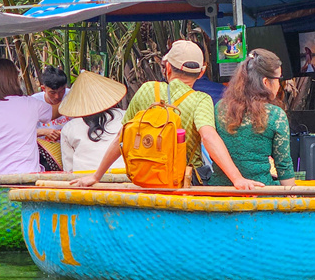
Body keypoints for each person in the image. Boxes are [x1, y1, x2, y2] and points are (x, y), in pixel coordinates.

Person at [71, 40, 260, 190]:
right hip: (182, 184)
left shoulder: (146, 90)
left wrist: (96, 176)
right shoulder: (200, 100)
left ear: (167, 68)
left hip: (145, 181)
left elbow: (122, 137)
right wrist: (237, 178)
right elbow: (208, 136)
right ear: (201, 72)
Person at [211, 49, 296, 187]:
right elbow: (283, 166)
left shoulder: (220, 108)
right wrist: (294, 198)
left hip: (220, 192)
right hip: (260, 193)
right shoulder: (276, 115)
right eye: (278, 79)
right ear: (265, 82)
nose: (279, 85)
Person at [0, 58, 59, 174]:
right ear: (14, 80)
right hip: (26, 177)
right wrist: (74, 96)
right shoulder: (30, 104)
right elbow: (55, 112)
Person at [59, 70, 127, 173]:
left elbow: (69, 169)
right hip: (124, 175)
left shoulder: (69, 127)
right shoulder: (126, 117)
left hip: (85, 181)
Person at [32, 65, 70, 170]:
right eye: (52, 93)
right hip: (44, 153)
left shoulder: (72, 96)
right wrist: (44, 132)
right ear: (43, 89)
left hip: (70, 147)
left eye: (61, 91)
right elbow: (22, 132)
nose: (57, 97)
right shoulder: (33, 102)